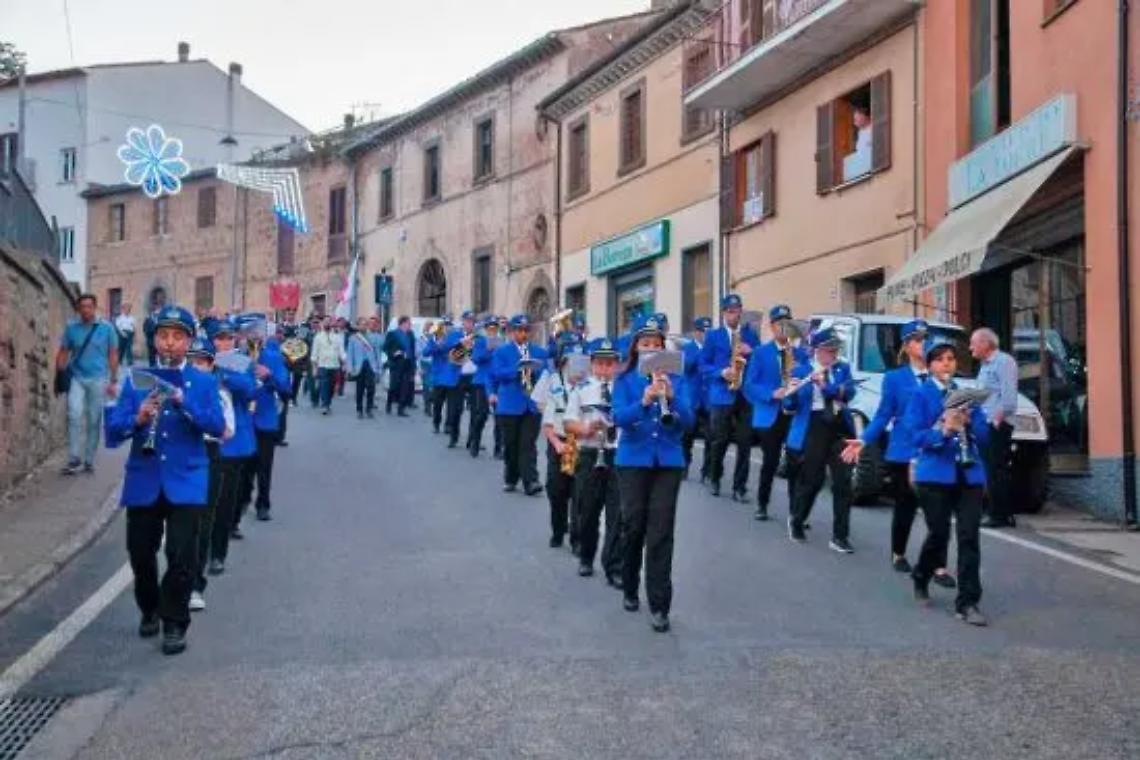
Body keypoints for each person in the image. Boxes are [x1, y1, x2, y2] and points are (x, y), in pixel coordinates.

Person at [104, 305, 225, 655]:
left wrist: (184, 401)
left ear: (188, 341)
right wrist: (138, 419)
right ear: (155, 340)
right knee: (140, 553)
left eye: (177, 337)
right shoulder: (135, 379)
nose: (169, 343)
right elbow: (112, 431)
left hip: (187, 478)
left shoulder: (203, 381)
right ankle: (150, 607)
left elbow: (217, 426)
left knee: (181, 554)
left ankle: (174, 622)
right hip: (144, 478)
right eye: (163, 336)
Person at [841, 320, 954, 587]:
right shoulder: (895, 378)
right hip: (903, 451)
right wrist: (864, 439)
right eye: (916, 339)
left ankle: (938, 566)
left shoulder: (943, 375)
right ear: (906, 346)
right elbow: (883, 415)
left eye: (926, 337)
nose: (922, 343)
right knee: (906, 505)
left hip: (936, 451)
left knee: (938, 512)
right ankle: (898, 552)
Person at [613, 317, 694, 633]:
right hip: (633, 459)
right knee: (633, 526)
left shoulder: (678, 378)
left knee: (661, 533)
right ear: (636, 347)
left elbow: (688, 421)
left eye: (657, 345)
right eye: (645, 344)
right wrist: (645, 400)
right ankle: (630, 584)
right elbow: (619, 417)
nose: (651, 349)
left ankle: (660, 605)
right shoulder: (625, 379)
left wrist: (671, 397)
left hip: (669, 462)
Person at [905, 338, 990, 626]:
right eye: (940, 359)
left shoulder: (965, 393)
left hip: (969, 473)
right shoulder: (921, 395)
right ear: (929, 366)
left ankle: (968, 602)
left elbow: (986, 436)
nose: (946, 363)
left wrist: (971, 420)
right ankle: (921, 573)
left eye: (951, 358)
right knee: (939, 534)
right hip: (934, 474)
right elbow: (915, 436)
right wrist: (943, 429)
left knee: (969, 537)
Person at [784, 327, 858, 553]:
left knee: (843, 482)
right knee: (812, 479)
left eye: (835, 350)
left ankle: (840, 536)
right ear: (817, 350)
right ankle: (797, 520)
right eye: (829, 350)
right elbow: (789, 406)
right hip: (814, 425)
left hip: (839, 426)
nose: (833, 354)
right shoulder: (801, 369)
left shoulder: (841, 368)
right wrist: (793, 392)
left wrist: (826, 387)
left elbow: (849, 393)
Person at [563, 338, 623, 581]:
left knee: (617, 514)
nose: (605, 369)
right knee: (587, 511)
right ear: (592, 365)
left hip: (617, 454)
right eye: (600, 364)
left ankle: (614, 567)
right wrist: (587, 428)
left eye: (610, 364)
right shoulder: (581, 389)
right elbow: (568, 422)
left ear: (617, 365)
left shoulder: (625, 390)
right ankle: (586, 557)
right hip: (589, 454)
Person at [742, 305, 806, 521]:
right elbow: (749, 385)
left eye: (787, 323)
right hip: (770, 414)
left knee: (795, 463)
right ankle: (762, 503)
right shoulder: (760, 353)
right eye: (779, 324)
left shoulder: (800, 353)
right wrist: (772, 393)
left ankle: (795, 512)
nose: (784, 328)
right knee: (770, 462)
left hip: (794, 413)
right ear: (771, 327)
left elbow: (807, 381)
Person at [186, 336, 235, 613]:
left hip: (210, 452)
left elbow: (227, 430)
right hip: (184, 454)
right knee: (182, 522)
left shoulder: (219, 392)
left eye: (202, 361)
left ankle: (195, 584)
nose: (197, 366)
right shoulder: (176, 389)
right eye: (193, 361)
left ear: (211, 364)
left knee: (204, 522)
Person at [700, 294, 760, 499]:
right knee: (720, 440)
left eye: (738, 310)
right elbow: (703, 365)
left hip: (745, 395)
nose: (735, 314)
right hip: (722, 394)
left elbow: (760, 363)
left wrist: (752, 351)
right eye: (731, 311)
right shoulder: (713, 336)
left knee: (745, 443)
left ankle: (739, 487)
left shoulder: (750, 335)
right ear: (724, 313)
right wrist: (721, 372)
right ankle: (715, 477)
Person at [207, 318, 257, 555]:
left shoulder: (240, 361)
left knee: (228, 498)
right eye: (219, 338)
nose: (224, 342)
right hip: (207, 438)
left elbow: (249, 390)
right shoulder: (201, 359)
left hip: (233, 440)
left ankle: (219, 551)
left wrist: (223, 373)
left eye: (228, 338)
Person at [56, 293, 119, 475]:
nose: (86, 310)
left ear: (95, 307)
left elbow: (113, 353)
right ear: (78, 309)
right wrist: (59, 372)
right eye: (82, 306)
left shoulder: (107, 328)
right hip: (77, 377)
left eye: (89, 306)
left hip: (98, 378)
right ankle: (74, 457)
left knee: (93, 419)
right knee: (74, 414)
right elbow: (63, 350)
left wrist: (114, 379)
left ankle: (89, 459)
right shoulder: (71, 328)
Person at [491, 314, 547, 495]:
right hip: (509, 404)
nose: (523, 334)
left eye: (526, 330)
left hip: (531, 405)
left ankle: (531, 481)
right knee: (511, 445)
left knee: (528, 445)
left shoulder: (539, 351)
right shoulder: (502, 352)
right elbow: (497, 374)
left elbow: (547, 374)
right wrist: (518, 368)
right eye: (520, 330)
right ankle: (511, 477)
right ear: (512, 332)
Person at [970, 327, 1019, 529]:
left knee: (995, 469)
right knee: (990, 469)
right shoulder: (984, 366)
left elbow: (1008, 400)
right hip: (984, 424)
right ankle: (1003, 513)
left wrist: (996, 421)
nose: (971, 347)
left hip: (997, 424)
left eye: (974, 343)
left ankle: (998, 515)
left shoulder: (1004, 362)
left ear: (986, 344)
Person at [247, 324, 291, 521]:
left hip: (265, 420)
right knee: (242, 471)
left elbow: (286, 388)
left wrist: (269, 376)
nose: (253, 336)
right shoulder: (235, 357)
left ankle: (263, 503)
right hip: (241, 423)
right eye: (249, 332)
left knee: (264, 467)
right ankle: (237, 507)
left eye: (257, 333)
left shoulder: (272, 357)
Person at [539, 337, 580, 549]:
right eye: (570, 360)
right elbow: (546, 422)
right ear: (562, 362)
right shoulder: (554, 382)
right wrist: (557, 444)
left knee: (578, 491)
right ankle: (558, 529)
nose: (574, 366)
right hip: (559, 439)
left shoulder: (589, 385)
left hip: (580, 441)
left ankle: (577, 538)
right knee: (556, 489)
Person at [681, 317, 711, 483]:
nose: (705, 335)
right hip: (692, 399)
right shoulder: (688, 348)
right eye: (702, 331)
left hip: (708, 400)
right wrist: (702, 353)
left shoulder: (712, 349)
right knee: (687, 437)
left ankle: (706, 471)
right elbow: (688, 366)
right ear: (696, 332)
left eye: (708, 332)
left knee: (711, 437)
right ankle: (684, 465)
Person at [448, 311, 481, 449]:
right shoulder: (455, 335)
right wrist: (463, 344)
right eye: (467, 321)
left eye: (471, 322)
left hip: (474, 376)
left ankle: (472, 439)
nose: (469, 324)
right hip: (459, 376)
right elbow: (452, 354)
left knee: (476, 410)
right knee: (456, 409)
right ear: (463, 322)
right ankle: (453, 437)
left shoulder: (479, 337)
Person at [423, 317, 460, 435]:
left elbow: (462, 351)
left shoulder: (456, 335)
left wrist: (445, 345)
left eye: (449, 325)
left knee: (452, 405)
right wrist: (436, 345)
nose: (447, 327)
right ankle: (436, 423)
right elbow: (426, 352)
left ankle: (448, 425)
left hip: (453, 376)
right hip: (439, 376)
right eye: (444, 325)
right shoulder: (435, 336)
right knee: (438, 403)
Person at [466, 316, 494, 456]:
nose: (492, 329)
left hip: (498, 382)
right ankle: (475, 441)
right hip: (482, 381)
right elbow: (475, 359)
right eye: (490, 327)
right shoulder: (480, 340)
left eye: (494, 327)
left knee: (501, 417)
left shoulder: (501, 342)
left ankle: (498, 449)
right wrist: (488, 350)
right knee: (481, 414)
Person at [347, 316, 382, 419]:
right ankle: (359, 409)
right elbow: (350, 354)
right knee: (360, 389)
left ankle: (369, 409)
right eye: (361, 324)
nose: (364, 326)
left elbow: (377, 353)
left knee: (371, 388)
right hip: (359, 366)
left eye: (365, 324)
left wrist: (379, 368)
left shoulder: (373, 337)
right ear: (358, 326)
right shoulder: (353, 338)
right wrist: (350, 368)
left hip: (371, 366)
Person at [311, 317, 345, 415]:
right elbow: (314, 353)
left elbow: (341, 351)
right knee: (324, 385)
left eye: (329, 322)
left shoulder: (337, 337)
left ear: (332, 324)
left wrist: (344, 363)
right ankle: (325, 405)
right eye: (325, 322)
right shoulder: (318, 337)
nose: (327, 324)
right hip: (323, 365)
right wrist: (314, 367)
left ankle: (328, 402)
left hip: (334, 366)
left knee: (331, 387)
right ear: (322, 324)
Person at [383, 315, 416, 416]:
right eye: (408, 323)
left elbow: (412, 349)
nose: (410, 325)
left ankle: (401, 409)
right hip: (396, 363)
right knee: (394, 385)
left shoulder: (411, 334)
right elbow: (385, 347)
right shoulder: (392, 334)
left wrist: (414, 365)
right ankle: (389, 403)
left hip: (407, 363)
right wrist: (394, 352)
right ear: (403, 323)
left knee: (405, 386)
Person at [417, 322, 435, 418]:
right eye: (428, 327)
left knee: (433, 385)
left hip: (434, 364)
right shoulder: (420, 339)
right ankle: (427, 407)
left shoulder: (434, 339)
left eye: (431, 327)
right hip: (425, 364)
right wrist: (419, 367)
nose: (429, 329)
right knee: (426, 385)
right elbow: (418, 354)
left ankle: (430, 402)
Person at [114, 302, 137, 366]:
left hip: (130, 333)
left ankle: (130, 361)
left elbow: (134, 327)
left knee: (129, 348)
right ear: (123, 309)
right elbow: (118, 327)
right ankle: (119, 360)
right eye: (126, 308)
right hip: (122, 333)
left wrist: (135, 336)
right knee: (121, 348)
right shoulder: (120, 318)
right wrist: (122, 333)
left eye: (129, 309)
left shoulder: (132, 318)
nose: (128, 310)